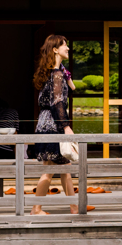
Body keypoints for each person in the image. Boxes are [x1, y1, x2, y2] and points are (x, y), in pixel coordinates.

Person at [30, 35, 81, 215]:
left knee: (65, 168)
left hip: (44, 123)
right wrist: (66, 126)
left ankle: (74, 207)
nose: (67, 48)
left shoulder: (52, 73)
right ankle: (36, 208)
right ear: (55, 49)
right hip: (53, 124)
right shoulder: (57, 75)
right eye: (64, 45)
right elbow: (57, 103)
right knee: (50, 169)